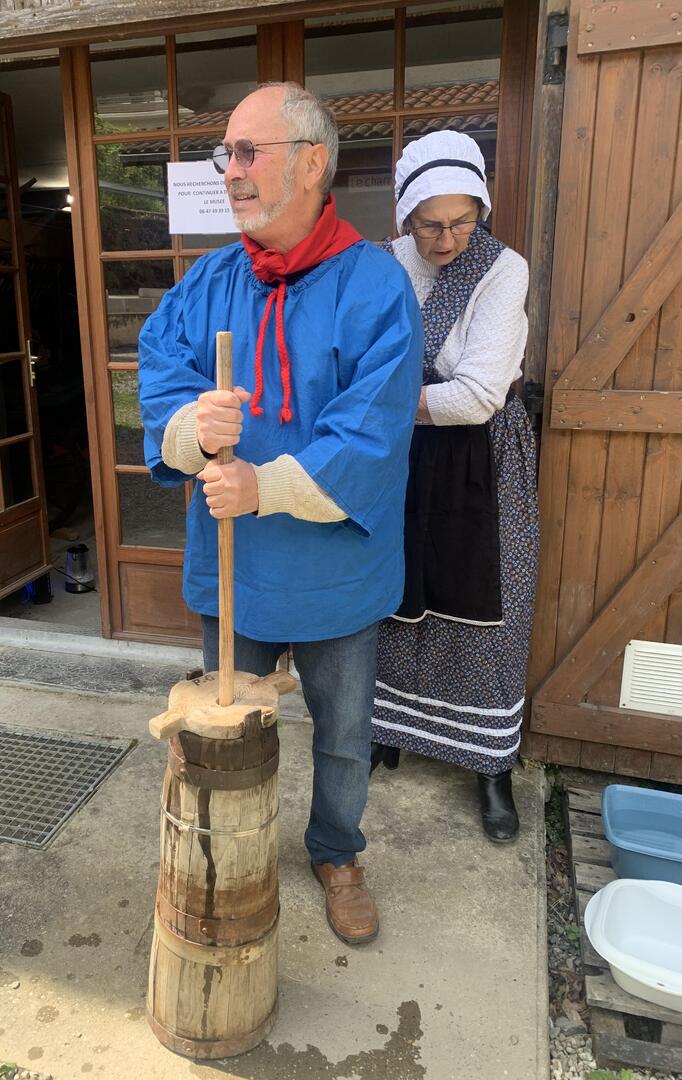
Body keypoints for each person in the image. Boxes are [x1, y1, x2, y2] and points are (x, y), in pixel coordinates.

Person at [138, 83, 423, 944]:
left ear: (311, 163)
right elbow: (161, 369)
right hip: (239, 561)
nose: (231, 171)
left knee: (343, 732)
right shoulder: (208, 283)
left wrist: (265, 485)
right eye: (225, 154)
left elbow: (372, 431)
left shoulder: (377, 287)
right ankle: (230, 843)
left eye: (248, 152)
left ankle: (336, 852)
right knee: (231, 728)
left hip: (339, 566)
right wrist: (193, 428)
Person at [369, 130, 539, 843]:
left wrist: (378, 400)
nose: (447, 239)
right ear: (405, 215)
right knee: (394, 591)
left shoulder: (502, 269)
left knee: (486, 603)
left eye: (462, 222)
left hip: (480, 458)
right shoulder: (383, 264)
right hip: (400, 456)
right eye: (430, 224)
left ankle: (491, 765)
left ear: (481, 209)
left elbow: (475, 398)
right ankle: (386, 730)